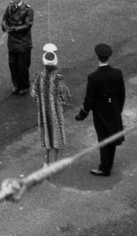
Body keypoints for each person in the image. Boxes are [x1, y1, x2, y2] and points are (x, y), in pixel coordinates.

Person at [74, 43, 126, 177]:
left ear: (97, 57)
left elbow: (89, 99)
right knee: (112, 136)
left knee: (103, 139)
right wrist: (118, 109)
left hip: (100, 113)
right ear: (109, 57)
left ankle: (104, 168)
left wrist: (82, 115)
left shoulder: (93, 77)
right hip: (114, 110)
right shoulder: (117, 73)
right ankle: (109, 164)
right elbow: (122, 95)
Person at [31, 44, 71, 165]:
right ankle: (51, 169)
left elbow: (33, 93)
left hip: (43, 115)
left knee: (47, 141)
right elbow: (65, 98)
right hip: (55, 115)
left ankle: (46, 164)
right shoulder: (58, 78)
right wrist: (62, 102)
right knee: (55, 143)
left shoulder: (38, 76)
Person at [0, 0, 34, 95]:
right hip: (12, 42)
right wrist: (4, 26)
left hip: (23, 43)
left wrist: (13, 29)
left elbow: (27, 25)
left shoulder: (28, 10)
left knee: (23, 66)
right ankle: (16, 84)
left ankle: (24, 85)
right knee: (13, 64)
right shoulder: (10, 6)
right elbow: (4, 19)